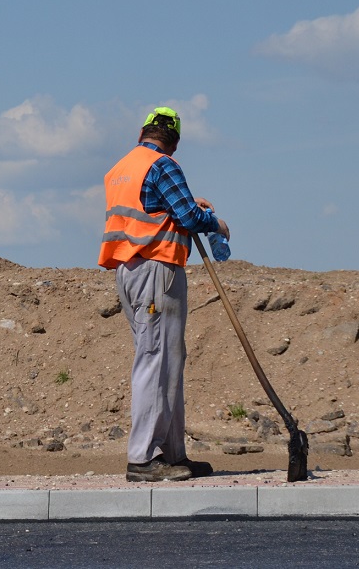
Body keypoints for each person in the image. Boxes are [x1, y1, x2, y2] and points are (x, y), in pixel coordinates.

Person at [98, 106, 230, 482]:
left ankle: (172, 455)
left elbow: (157, 209)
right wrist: (214, 222)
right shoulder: (163, 165)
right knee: (156, 360)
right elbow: (187, 218)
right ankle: (143, 459)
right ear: (173, 140)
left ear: (143, 132)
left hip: (129, 270)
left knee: (165, 359)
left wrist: (188, 208)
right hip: (157, 268)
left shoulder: (121, 169)